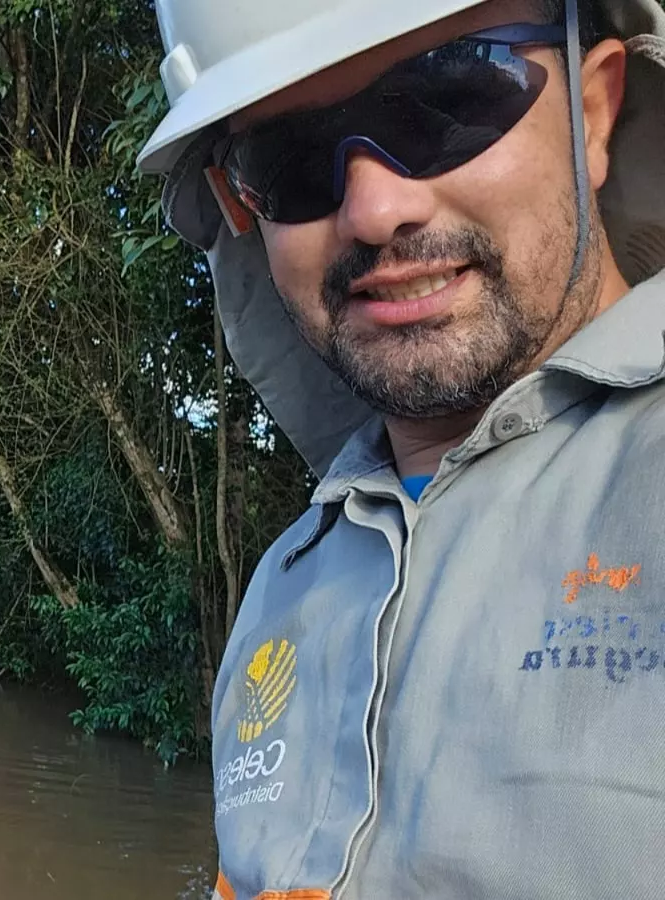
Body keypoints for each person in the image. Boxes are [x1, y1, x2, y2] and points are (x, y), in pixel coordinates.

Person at [136, 0, 665, 895]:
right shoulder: (287, 582)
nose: (375, 210)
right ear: (243, 206)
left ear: (594, 109)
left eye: (446, 101)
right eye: (293, 160)